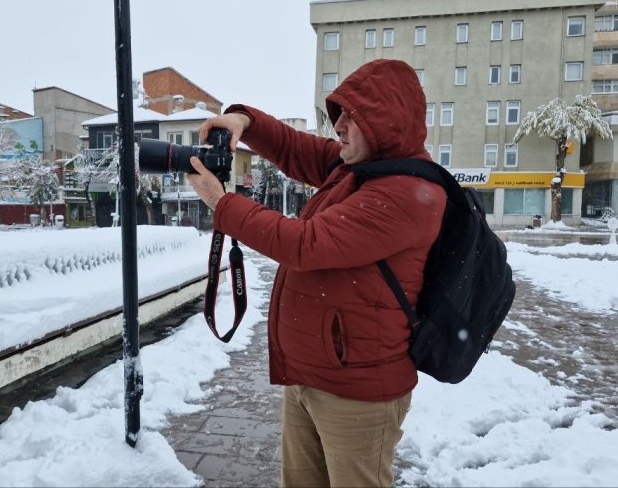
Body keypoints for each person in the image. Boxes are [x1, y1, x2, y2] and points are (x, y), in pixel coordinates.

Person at [186, 59, 445, 487]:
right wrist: (243, 121)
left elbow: (305, 244)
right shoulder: (355, 168)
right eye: (336, 113)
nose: (338, 126)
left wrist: (223, 204)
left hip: (360, 390)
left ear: (384, 122)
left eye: (351, 116)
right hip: (312, 373)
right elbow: (293, 147)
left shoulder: (407, 195)